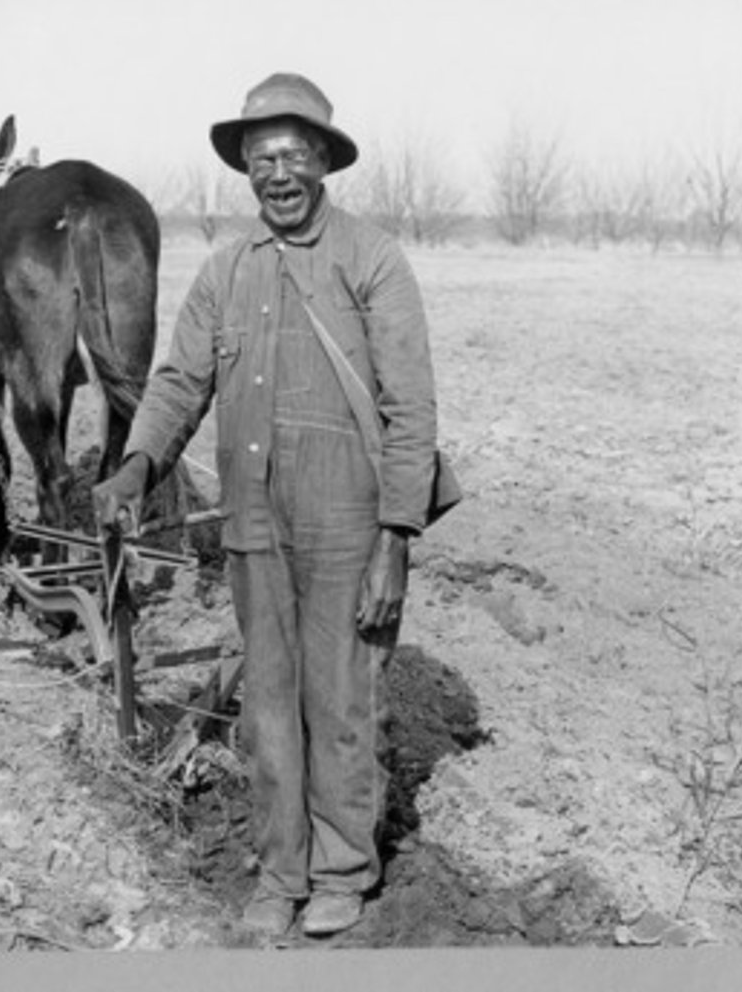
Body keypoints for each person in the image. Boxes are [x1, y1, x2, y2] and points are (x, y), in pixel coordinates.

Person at [93, 72, 443, 937]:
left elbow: (411, 410)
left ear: (322, 160)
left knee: (342, 699)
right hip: (251, 519)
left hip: (348, 524)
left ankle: (342, 869)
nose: (278, 175)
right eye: (261, 159)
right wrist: (136, 467)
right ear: (245, 169)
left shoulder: (372, 260)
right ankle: (280, 872)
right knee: (268, 705)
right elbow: (180, 383)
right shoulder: (225, 271)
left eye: (293, 156)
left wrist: (395, 540)